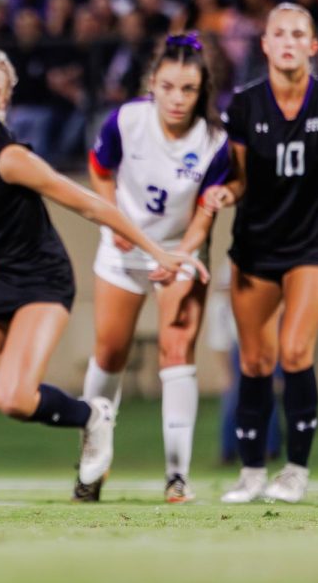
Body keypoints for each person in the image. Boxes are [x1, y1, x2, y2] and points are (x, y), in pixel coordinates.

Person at [0, 46, 208, 506]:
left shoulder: (11, 157)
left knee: (14, 398)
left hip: (39, 279)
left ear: (5, 102)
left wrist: (159, 251)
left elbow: (91, 204)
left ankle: (93, 416)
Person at [79, 33, 230, 503]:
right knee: (109, 353)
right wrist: (114, 219)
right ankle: (90, 461)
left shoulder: (215, 139)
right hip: (123, 250)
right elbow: (99, 170)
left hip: (181, 252)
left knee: (177, 351)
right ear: (152, 83)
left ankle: (176, 476)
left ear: (202, 89)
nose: (177, 98)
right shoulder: (127, 120)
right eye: (168, 87)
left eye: (188, 89)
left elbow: (207, 211)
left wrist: (181, 256)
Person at [202, 3, 318, 503]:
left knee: (295, 352)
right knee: (253, 362)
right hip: (255, 247)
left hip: (311, 248)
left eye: (300, 33)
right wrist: (224, 194)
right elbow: (236, 177)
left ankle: (295, 469)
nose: (290, 40)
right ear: (266, 45)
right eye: (280, 33)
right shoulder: (245, 106)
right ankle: (252, 472)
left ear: (313, 46)